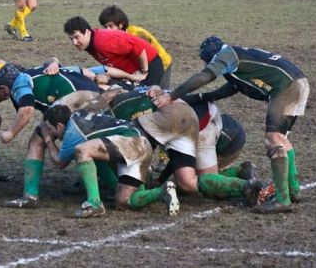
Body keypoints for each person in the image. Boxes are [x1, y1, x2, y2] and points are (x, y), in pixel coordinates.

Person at [154, 36, 309, 214]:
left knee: (273, 139)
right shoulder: (236, 56)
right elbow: (235, 85)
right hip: (297, 82)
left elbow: (205, 76)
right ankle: (293, 190)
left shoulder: (224, 56)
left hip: (287, 87)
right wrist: (208, 96)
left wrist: (172, 95)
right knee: (281, 138)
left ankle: (283, 200)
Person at [109, 87, 264, 206]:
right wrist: (161, 178)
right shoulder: (135, 92)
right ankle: (244, 180)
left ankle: (242, 180)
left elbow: (139, 151)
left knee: (214, 189)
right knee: (187, 182)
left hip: (202, 124)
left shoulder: (117, 111)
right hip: (190, 118)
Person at [35, 105, 179, 218]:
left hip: (131, 142)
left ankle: (94, 203)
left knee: (82, 150)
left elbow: (60, 162)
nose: (51, 132)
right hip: (142, 144)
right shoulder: (79, 114)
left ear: (60, 126)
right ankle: (162, 191)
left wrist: (47, 138)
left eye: (50, 129)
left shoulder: (73, 131)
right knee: (123, 202)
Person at [63, 16, 164, 86]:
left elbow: (139, 48)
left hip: (150, 64)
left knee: (146, 98)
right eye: (71, 39)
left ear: (88, 32)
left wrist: (144, 72)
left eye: (77, 37)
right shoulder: (90, 44)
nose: (75, 42)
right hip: (134, 71)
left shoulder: (103, 42)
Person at [98, 5, 173, 88]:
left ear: (121, 25)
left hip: (162, 63)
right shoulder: (113, 39)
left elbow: (146, 56)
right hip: (141, 69)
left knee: (159, 93)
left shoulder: (137, 34)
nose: (107, 30)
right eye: (105, 27)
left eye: (110, 26)